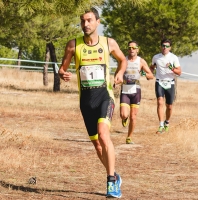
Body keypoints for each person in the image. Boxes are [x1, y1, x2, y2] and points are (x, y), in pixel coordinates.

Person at [58, 7, 127, 198]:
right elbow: (62, 68)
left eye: (89, 20)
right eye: (82, 21)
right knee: (97, 145)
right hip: (85, 101)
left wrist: (120, 72)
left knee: (104, 135)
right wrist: (63, 74)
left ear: (98, 22)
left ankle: (111, 183)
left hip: (105, 96)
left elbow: (122, 60)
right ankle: (114, 173)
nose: (85, 24)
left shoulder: (108, 43)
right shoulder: (73, 45)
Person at [119, 41, 154, 144]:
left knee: (133, 116)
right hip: (125, 88)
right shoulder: (123, 60)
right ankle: (124, 118)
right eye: (130, 48)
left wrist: (146, 75)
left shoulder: (141, 61)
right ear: (127, 49)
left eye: (134, 48)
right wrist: (116, 80)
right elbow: (118, 72)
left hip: (136, 89)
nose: (132, 50)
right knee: (124, 114)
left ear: (137, 49)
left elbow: (151, 75)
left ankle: (129, 137)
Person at [150, 38, 181, 134]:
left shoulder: (174, 58)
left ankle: (167, 122)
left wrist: (171, 68)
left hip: (170, 83)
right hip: (159, 82)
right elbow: (152, 67)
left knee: (169, 106)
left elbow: (179, 72)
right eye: (163, 46)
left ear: (170, 48)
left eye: (167, 46)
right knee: (160, 102)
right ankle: (161, 124)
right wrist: (148, 72)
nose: (165, 47)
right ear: (160, 47)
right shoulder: (156, 57)